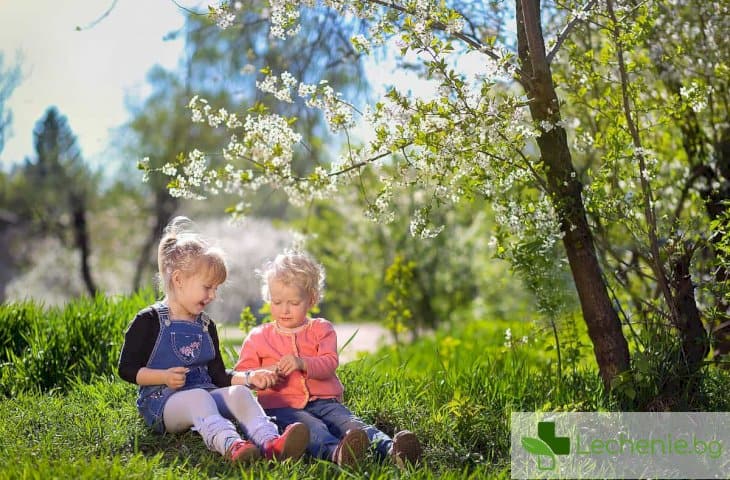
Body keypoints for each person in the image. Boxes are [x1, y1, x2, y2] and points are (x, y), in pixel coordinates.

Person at [117, 217, 309, 463]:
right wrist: (163, 377)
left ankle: (271, 441)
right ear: (178, 280)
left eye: (216, 289)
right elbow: (127, 369)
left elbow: (218, 375)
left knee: (238, 393)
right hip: (162, 403)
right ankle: (231, 444)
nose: (213, 295)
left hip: (205, 394)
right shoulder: (149, 320)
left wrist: (251, 378)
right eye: (207, 287)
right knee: (199, 398)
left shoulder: (206, 325)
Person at [234, 250, 422, 468]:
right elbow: (242, 374)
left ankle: (393, 450)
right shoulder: (258, 337)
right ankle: (337, 453)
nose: (284, 310)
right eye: (276, 302)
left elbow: (329, 362)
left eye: (293, 303)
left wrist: (302, 362)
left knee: (352, 424)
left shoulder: (321, 329)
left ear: (311, 299)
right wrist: (258, 377)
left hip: (325, 402)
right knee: (313, 429)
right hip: (282, 407)